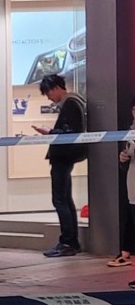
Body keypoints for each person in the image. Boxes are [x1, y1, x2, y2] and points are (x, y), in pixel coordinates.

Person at [34, 74, 87, 258]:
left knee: (60, 200)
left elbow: (69, 132)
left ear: (56, 88)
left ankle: (68, 241)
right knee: (65, 199)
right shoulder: (75, 101)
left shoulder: (70, 103)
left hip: (63, 156)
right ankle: (70, 241)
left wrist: (50, 132)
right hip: (67, 156)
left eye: (48, 93)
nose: (49, 98)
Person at [115, 97, 135, 270]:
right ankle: (125, 253)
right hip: (133, 184)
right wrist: (123, 159)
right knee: (131, 217)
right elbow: (126, 160)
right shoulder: (130, 132)